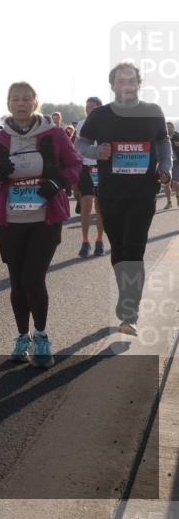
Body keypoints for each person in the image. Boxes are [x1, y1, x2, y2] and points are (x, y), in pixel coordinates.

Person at [0, 82, 81, 369]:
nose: (20, 103)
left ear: (35, 103)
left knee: (33, 279)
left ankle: (42, 336)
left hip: (45, 220)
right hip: (11, 221)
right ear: (8, 103)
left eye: (26, 99)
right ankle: (22, 337)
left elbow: (75, 165)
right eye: (15, 99)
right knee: (17, 281)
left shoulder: (54, 134)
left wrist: (58, 182)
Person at [75, 63, 173, 336]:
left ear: (139, 84)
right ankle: (126, 298)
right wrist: (96, 152)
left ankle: (130, 311)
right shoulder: (100, 115)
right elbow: (80, 145)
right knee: (118, 248)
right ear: (113, 85)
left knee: (135, 248)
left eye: (131, 81)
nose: (127, 85)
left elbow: (163, 142)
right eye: (121, 81)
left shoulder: (153, 112)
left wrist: (165, 168)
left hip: (143, 192)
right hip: (110, 193)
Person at [74, 97, 106, 258]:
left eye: (92, 107)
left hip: (100, 168)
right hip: (85, 167)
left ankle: (99, 240)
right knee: (86, 204)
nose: (89, 110)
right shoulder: (81, 124)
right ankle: (85, 241)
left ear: (99, 108)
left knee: (99, 206)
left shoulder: (107, 124)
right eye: (87, 107)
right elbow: (77, 146)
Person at [165, 121, 178, 209]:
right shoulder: (163, 137)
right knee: (166, 183)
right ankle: (169, 202)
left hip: (176, 162)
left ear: (173, 128)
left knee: (175, 182)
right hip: (165, 162)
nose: (168, 128)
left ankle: (178, 196)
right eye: (167, 127)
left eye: (170, 127)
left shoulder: (177, 136)